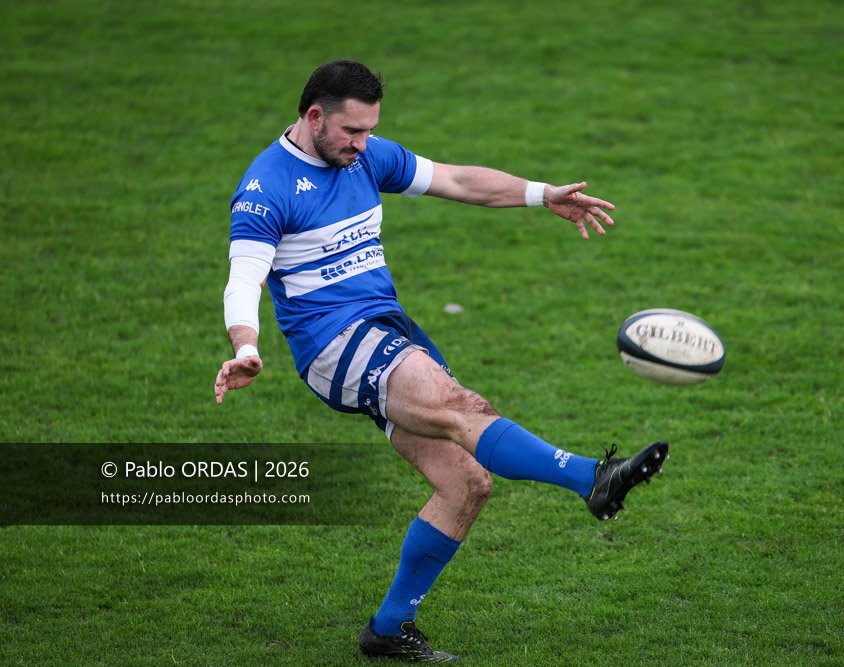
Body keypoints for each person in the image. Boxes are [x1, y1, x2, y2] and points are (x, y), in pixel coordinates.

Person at [214, 60, 668, 663]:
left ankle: (388, 628)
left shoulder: (366, 156)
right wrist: (246, 346)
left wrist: (542, 195)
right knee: (463, 408)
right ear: (314, 116)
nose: (362, 144)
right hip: (333, 345)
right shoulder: (265, 187)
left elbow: (455, 180)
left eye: (370, 130)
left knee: (466, 483)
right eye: (352, 131)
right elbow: (242, 279)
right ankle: (592, 478)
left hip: (389, 326)